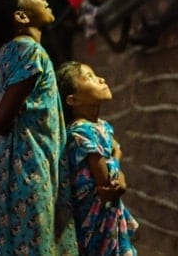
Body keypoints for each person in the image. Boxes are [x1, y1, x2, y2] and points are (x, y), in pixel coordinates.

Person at [0, 0, 78, 256]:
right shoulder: (30, 51)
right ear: (20, 16)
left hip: (15, 167)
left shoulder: (6, 54)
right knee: (37, 245)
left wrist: (3, 162)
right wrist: (22, 166)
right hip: (32, 169)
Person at [56, 61, 139, 256]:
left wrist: (118, 172)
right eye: (89, 77)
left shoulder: (101, 126)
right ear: (73, 100)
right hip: (95, 218)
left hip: (107, 213)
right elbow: (106, 182)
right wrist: (119, 179)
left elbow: (116, 150)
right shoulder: (81, 131)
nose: (100, 79)